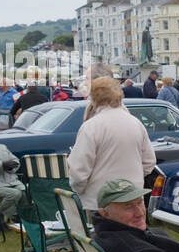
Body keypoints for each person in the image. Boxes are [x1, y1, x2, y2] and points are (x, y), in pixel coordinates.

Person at [66, 77, 157, 213]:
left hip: (99, 201)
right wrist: (130, 182)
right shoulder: (136, 123)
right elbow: (149, 162)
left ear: (93, 98)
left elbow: (79, 170)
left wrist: (81, 190)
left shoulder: (92, 126)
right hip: (133, 198)